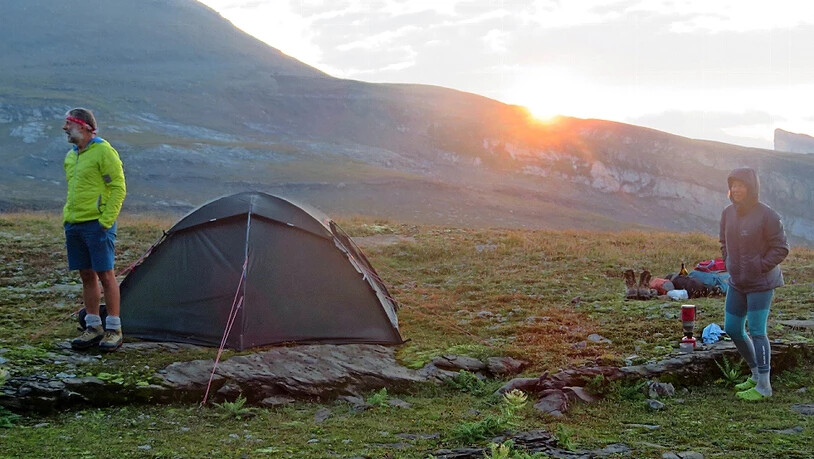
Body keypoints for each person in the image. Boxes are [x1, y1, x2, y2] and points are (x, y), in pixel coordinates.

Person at [720, 167, 789, 401]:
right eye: (733, 185)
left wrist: (759, 266)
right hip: (737, 282)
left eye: (741, 185)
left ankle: (764, 386)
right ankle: (754, 373)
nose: (736, 189)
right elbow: (724, 241)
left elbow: (781, 248)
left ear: (751, 188)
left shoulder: (768, 215)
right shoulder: (728, 213)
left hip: (761, 283)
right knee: (732, 328)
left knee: (757, 331)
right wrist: (729, 261)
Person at [62, 108, 127, 351]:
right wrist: (68, 218)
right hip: (74, 224)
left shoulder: (103, 151)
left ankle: (114, 328)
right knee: (86, 275)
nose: (65, 128)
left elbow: (118, 187)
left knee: (105, 274)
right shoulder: (71, 156)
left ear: (84, 126)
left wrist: (105, 221)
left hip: (97, 225)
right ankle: (93, 326)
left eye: (69, 123)